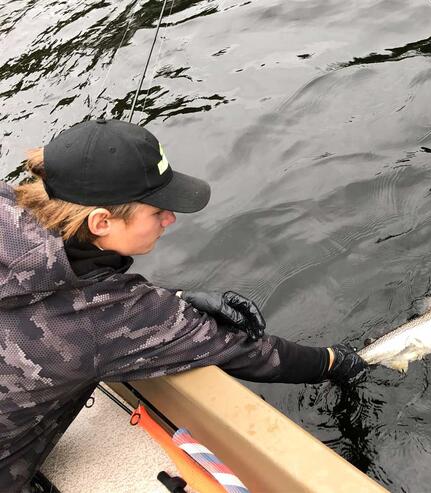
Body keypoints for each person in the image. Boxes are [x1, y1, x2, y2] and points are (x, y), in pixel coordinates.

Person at [0, 119, 367, 492]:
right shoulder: (109, 317)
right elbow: (255, 355)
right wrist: (337, 362)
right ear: (101, 222)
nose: (170, 218)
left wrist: (174, 300)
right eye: (157, 211)